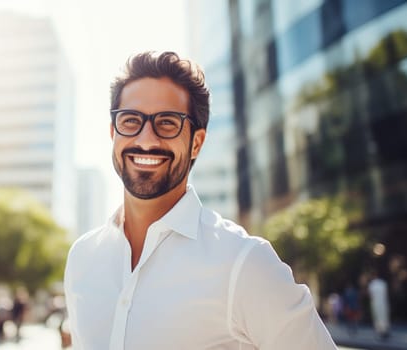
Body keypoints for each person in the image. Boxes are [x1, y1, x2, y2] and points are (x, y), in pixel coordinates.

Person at [63, 51, 336, 349]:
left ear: (196, 142)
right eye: (130, 121)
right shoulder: (82, 257)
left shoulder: (244, 262)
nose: (146, 140)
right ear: (113, 132)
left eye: (167, 123)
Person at [368, 271, 390, 340]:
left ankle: (379, 332)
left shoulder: (371, 285)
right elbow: (386, 294)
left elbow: (371, 296)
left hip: (375, 304)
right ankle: (385, 331)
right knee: (384, 316)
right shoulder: (383, 283)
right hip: (383, 303)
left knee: (377, 318)